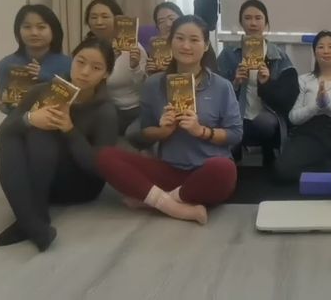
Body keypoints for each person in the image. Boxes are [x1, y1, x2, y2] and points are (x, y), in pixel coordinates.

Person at [97, 15, 241, 224]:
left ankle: (156, 201)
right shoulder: (153, 85)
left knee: (225, 170)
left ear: (206, 45)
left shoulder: (221, 86)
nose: (186, 46)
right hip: (168, 170)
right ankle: (177, 206)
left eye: (194, 40)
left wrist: (201, 131)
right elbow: (143, 132)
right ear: (170, 42)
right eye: (179, 38)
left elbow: (236, 134)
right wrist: (162, 131)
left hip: (206, 170)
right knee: (105, 156)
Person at [0, 37, 117, 251]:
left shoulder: (105, 111)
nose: (85, 71)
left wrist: (69, 129)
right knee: (15, 136)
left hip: (79, 185)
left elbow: (98, 169)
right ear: (72, 59)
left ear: (106, 74)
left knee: (41, 133)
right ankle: (36, 223)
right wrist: (31, 118)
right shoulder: (42, 90)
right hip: (40, 176)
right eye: (80, 62)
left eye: (96, 67)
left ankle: (30, 220)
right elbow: (2, 133)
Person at [217, 0, 298, 168]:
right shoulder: (228, 55)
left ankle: (269, 154)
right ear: (241, 22)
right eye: (247, 18)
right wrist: (235, 83)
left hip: (266, 115)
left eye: (258, 18)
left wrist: (267, 83)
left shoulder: (279, 56)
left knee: (266, 123)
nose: (253, 23)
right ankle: (235, 154)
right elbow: (215, 93)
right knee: (231, 129)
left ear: (266, 23)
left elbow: (289, 97)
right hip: (236, 112)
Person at [275, 31, 331, 182]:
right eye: (321, 47)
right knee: (282, 170)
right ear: (315, 52)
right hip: (309, 133)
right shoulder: (303, 79)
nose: (326, 51)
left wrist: (328, 105)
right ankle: (325, 171)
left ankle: (319, 170)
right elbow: (293, 117)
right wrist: (316, 106)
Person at [84, 0, 147, 134]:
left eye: (105, 16)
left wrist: (134, 66)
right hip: (101, 108)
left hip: (132, 110)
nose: (99, 22)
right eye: (93, 17)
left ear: (117, 20)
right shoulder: (87, 48)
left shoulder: (134, 49)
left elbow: (144, 88)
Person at [0, 4, 71, 114]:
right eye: (27, 27)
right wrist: (4, 106)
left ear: (54, 31)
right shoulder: (6, 64)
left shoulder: (68, 64)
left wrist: (45, 76)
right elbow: (6, 108)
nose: (34, 33)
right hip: (19, 127)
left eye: (41, 27)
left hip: (56, 127)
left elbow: (75, 102)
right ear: (18, 31)